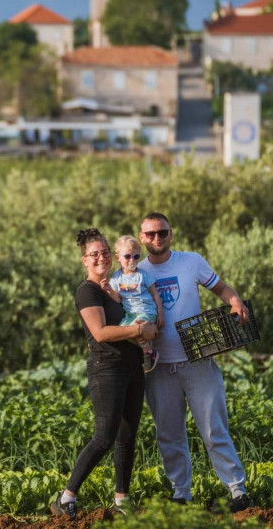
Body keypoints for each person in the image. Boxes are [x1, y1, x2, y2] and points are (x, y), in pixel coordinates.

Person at [137, 212, 251, 512]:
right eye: (150, 234)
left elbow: (221, 289)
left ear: (170, 234)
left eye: (162, 233)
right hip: (159, 367)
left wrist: (235, 300)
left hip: (197, 361)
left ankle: (238, 492)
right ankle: (180, 495)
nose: (157, 239)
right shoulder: (137, 272)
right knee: (168, 435)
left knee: (214, 430)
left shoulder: (191, 261)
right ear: (141, 238)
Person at [50, 228, 158, 519]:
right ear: (84, 260)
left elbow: (137, 309)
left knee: (127, 435)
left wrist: (147, 330)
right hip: (106, 369)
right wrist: (138, 329)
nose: (102, 257)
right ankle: (65, 497)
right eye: (94, 254)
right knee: (104, 436)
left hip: (132, 366)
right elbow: (100, 332)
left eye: (106, 252)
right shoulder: (88, 291)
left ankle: (122, 501)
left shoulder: (115, 287)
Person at [101, 235, 164, 373]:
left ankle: (147, 351)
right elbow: (117, 299)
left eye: (136, 257)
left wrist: (160, 314)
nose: (132, 260)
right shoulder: (117, 278)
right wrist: (108, 290)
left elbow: (155, 295)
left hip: (146, 312)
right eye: (127, 256)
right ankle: (148, 348)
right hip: (130, 314)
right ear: (118, 258)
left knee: (134, 328)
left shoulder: (143, 275)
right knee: (122, 331)